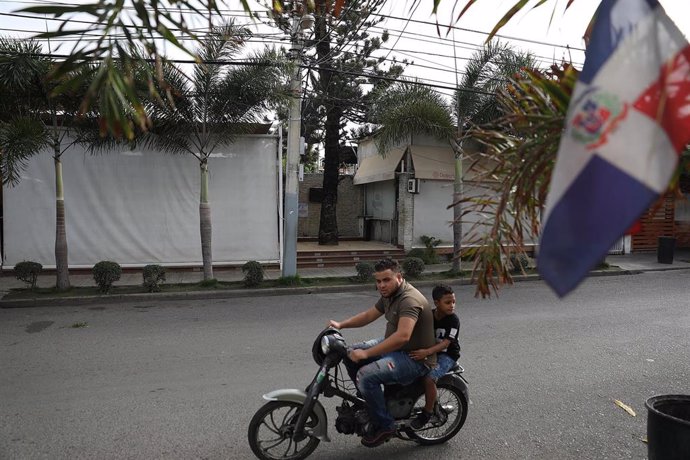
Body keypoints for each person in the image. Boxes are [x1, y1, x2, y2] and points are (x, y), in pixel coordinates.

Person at [328, 258, 437, 448]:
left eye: (386, 280)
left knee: (365, 375)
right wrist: (340, 324)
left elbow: (403, 336)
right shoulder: (390, 294)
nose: (381, 285)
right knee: (350, 352)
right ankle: (370, 399)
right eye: (378, 281)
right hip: (396, 347)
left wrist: (367, 354)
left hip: (414, 357)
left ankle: (385, 425)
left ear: (399, 277)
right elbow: (369, 315)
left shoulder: (409, 300)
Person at [409, 284, 461, 430]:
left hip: (448, 356)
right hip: (432, 352)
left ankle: (427, 412)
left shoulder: (453, 320)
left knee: (430, 378)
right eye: (448, 302)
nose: (452, 306)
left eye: (453, 302)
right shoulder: (429, 316)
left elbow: (445, 344)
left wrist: (425, 352)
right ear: (436, 303)